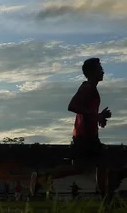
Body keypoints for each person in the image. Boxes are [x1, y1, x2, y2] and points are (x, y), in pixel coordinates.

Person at [30, 58, 122, 198]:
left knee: (90, 165)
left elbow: (85, 111)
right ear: (92, 72)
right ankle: (106, 197)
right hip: (85, 136)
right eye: (100, 68)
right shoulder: (87, 87)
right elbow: (72, 106)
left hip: (87, 135)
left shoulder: (91, 88)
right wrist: (95, 115)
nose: (103, 71)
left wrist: (99, 117)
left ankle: (43, 178)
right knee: (96, 164)